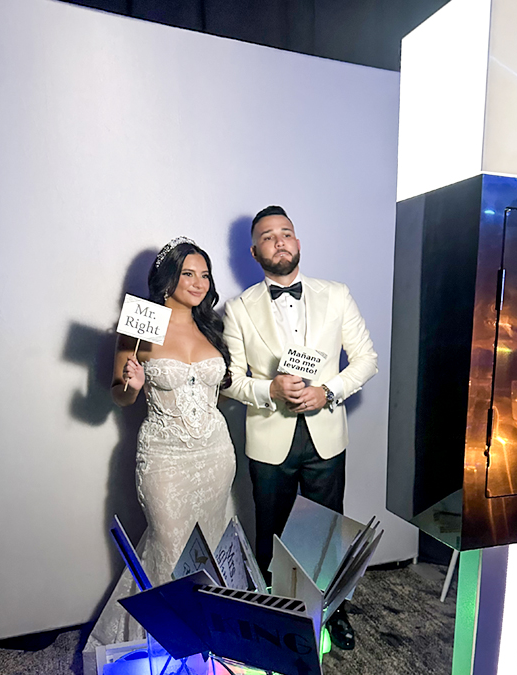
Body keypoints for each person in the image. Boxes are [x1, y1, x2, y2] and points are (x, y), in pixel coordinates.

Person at [222, 206, 378, 649]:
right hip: (269, 440)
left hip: (326, 435)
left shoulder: (337, 294)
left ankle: (332, 614)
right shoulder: (238, 308)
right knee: (271, 532)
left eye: (286, 233)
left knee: (326, 532)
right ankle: (276, 622)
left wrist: (328, 391)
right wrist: (270, 389)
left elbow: (367, 359)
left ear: (298, 242)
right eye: (268, 237)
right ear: (255, 252)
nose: (280, 241)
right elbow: (231, 380)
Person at [85, 237, 236, 654]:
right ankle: (161, 650)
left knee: (209, 548)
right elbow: (119, 396)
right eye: (188, 273)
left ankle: (206, 646)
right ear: (168, 277)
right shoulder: (138, 326)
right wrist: (129, 384)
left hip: (216, 456)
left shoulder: (212, 327)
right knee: (169, 550)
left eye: (205, 274)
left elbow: (211, 395)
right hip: (164, 459)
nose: (199, 282)